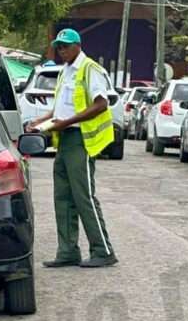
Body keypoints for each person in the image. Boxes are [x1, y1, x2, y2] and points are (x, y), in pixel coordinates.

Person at [25, 28, 118, 268]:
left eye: (66, 46)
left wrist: (66, 122)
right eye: (59, 47)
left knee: (83, 196)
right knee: (62, 197)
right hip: (64, 140)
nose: (61, 50)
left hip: (81, 140)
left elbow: (100, 104)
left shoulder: (90, 69)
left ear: (78, 45)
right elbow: (60, 109)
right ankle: (67, 251)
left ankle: (103, 250)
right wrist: (40, 121)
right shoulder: (65, 72)